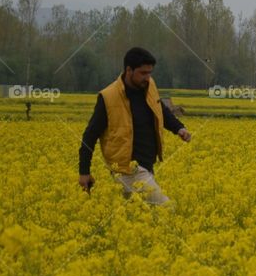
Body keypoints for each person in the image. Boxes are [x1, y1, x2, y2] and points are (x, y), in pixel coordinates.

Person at [78, 47, 191, 205]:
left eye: (150, 73)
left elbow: (160, 110)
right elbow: (89, 136)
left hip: (147, 166)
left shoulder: (148, 86)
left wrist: (179, 128)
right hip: (128, 170)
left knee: (140, 217)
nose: (148, 77)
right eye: (143, 73)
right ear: (129, 70)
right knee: (166, 209)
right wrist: (84, 172)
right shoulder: (108, 97)